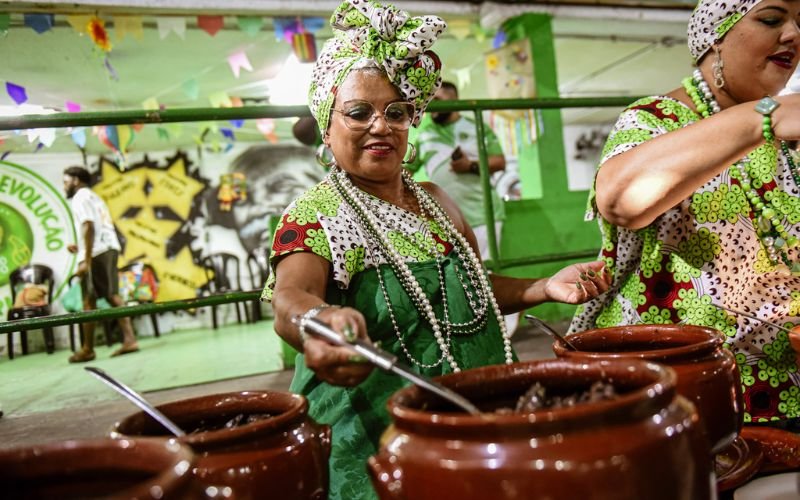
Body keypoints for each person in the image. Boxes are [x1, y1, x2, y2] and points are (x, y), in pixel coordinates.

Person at [263, 2, 611, 498]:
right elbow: (291, 297)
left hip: (473, 420)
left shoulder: (436, 201)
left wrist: (543, 287)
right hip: (379, 443)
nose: (381, 126)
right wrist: (318, 326)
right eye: (359, 112)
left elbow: (470, 287)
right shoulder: (316, 215)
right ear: (326, 123)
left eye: (396, 112)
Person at [570, 0, 800, 425]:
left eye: (799, 24)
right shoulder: (656, 121)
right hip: (686, 390)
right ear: (715, 36)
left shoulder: (786, 140)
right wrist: (762, 117)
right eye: (771, 19)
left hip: (785, 381)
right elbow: (622, 200)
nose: (793, 35)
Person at [407, 81, 507, 261]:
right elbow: (406, 172)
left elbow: (499, 162)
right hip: (443, 219)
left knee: (485, 274)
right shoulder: (424, 136)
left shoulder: (477, 127)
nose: (432, 105)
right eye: (428, 101)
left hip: (482, 215)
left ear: (454, 99)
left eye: (437, 98)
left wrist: (470, 165)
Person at [64, 166, 138, 362]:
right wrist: (79, 246)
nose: (64, 186)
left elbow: (88, 225)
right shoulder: (94, 197)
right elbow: (93, 226)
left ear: (76, 180)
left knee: (89, 300)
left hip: (96, 252)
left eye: (66, 181)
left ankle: (88, 349)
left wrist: (85, 261)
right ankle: (128, 339)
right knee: (110, 295)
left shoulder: (80, 197)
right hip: (108, 248)